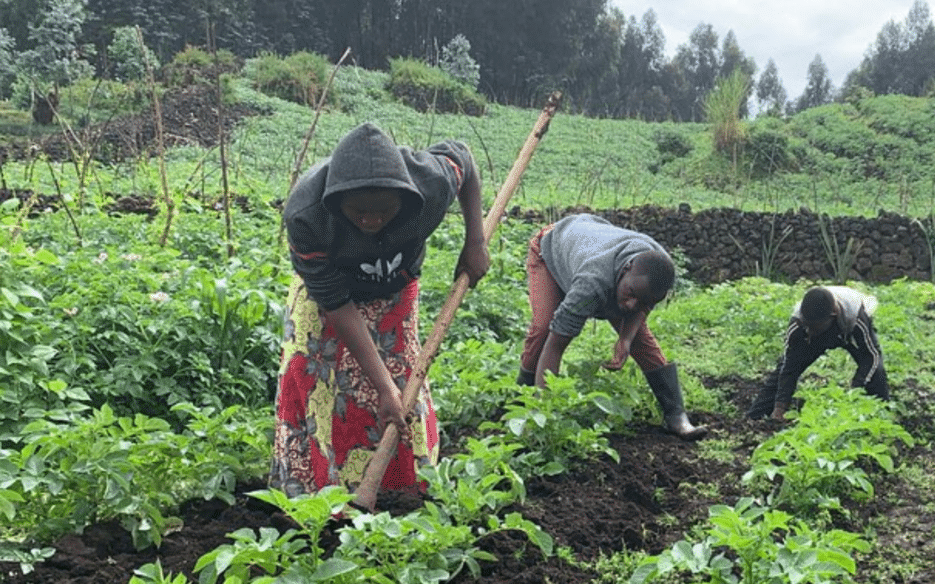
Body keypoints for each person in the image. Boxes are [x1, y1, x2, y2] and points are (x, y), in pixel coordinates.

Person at [269, 122, 489, 497]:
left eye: (383, 211)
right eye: (359, 212)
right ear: (337, 202)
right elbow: (336, 305)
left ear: (405, 197)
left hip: (395, 287)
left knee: (405, 380)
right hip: (327, 299)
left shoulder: (430, 183)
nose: (371, 220)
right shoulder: (307, 215)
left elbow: (464, 160)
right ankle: (313, 493)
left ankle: (402, 490)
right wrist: (382, 385)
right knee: (314, 381)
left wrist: (475, 240)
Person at [518, 212, 707, 440]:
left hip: (591, 238)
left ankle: (676, 416)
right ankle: (524, 401)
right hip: (550, 248)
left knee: (641, 341)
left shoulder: (657, 270)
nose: (631, 305)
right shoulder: (593, 282)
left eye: (644, 302)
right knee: (542, 328)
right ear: (626, 268)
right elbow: (555, 345)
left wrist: (626, 339)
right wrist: (544, 412)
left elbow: (640, 304)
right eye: (631, 295)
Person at [747, 285, 889, 420]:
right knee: (784, 370)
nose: (809, 331)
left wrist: (855, 389)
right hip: (815, 338)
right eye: (807, 326)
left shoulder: (857, 318)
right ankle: (754, 418)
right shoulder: (799, 324)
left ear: (833, 314)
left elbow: (872, 357)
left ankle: (881, 415)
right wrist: (780, 407)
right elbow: (788, 368)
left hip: (846, 331)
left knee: (875, 371)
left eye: (813, 327)